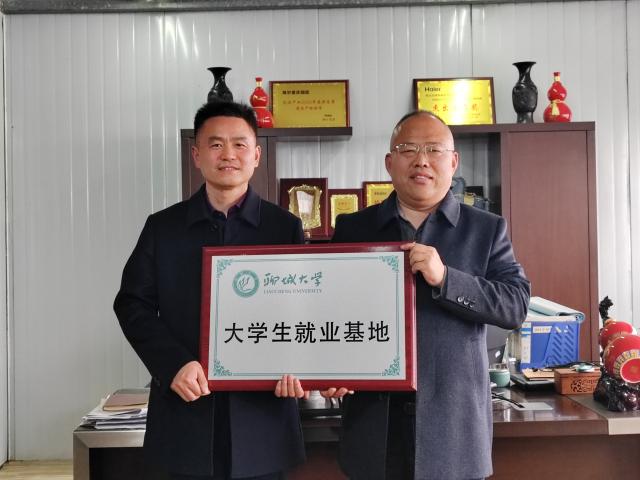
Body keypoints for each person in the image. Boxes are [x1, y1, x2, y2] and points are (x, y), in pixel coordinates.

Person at [329, 111, 531, 480]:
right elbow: (330, 311)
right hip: (375, 425)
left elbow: (515, 305)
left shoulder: (486, 229)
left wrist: (447, 279)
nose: (421, 160)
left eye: (434, 150)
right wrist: (329, 369)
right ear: (390, 163)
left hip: (454, 428)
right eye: (408, 149)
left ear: (453, 162)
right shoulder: (353, 228)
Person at [114, 101, 307, 480]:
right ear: (196, 155)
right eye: (216, 144)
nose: (228, 155)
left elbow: (303, 310)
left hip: (262, 421)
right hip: (186, 412)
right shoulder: (163, 227)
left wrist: (300, 365)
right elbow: (132, 305)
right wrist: (173, 363)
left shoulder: (284, 228)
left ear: (256, 155)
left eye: (239, 144)